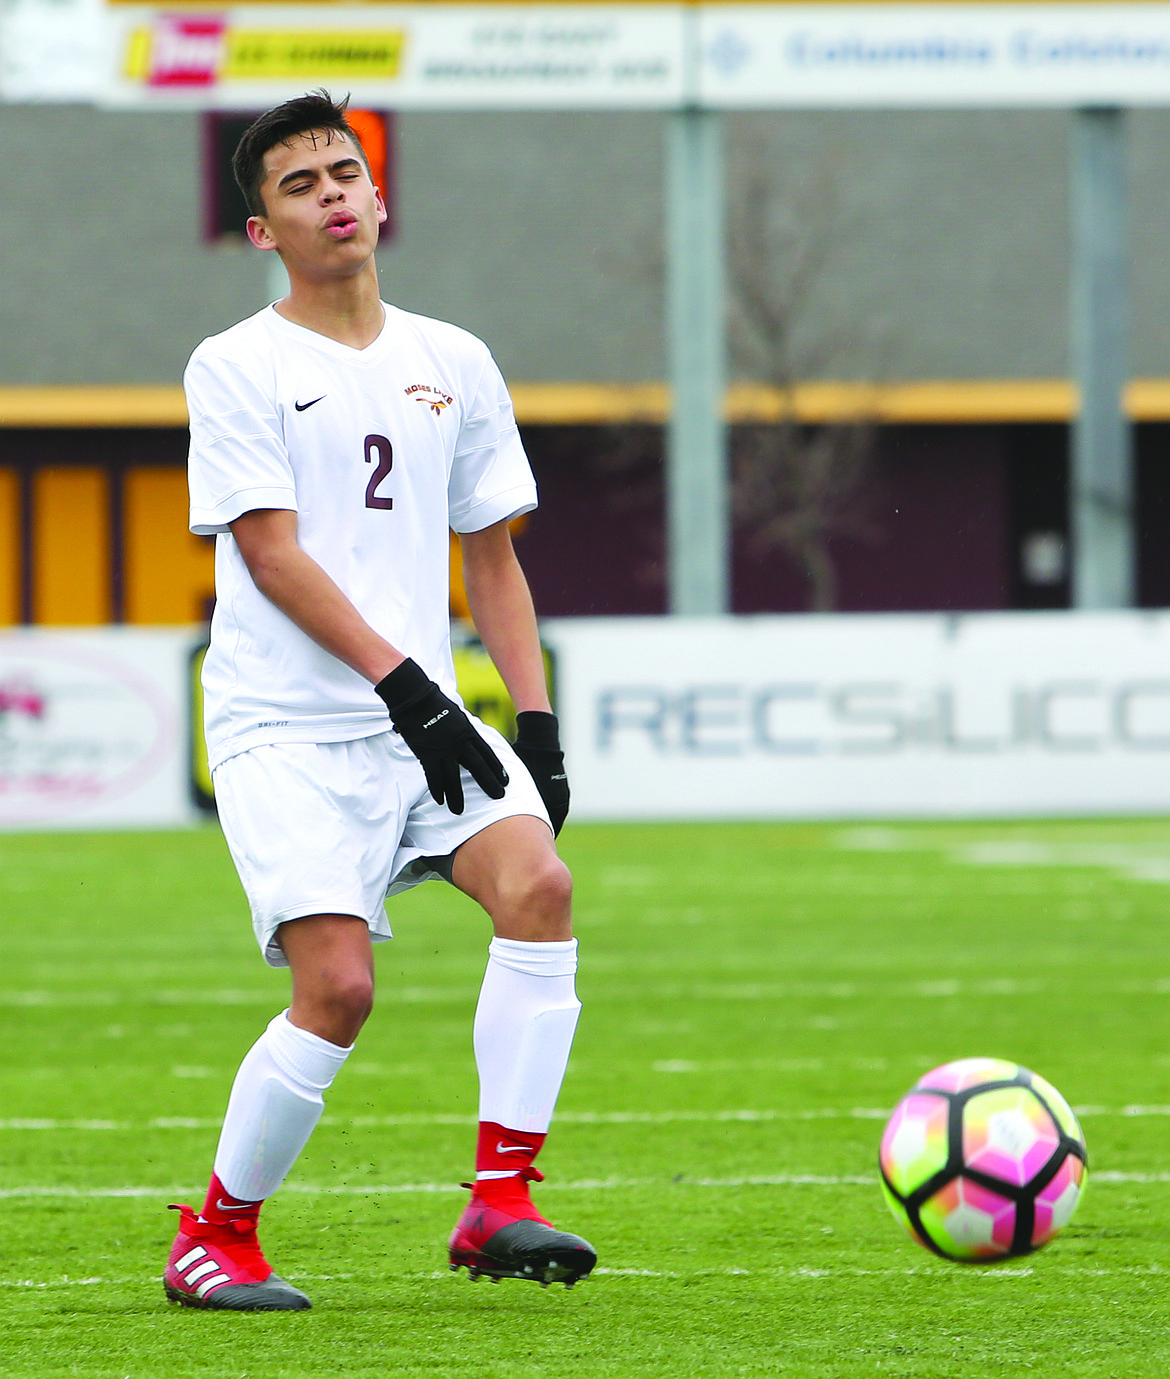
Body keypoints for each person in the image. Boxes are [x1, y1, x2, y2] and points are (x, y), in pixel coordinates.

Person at [164, 90, 594, 1311]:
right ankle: (215, 1234)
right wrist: (411, 685)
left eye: (345, 172)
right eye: (300, 186)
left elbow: (493, 556)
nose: (333, 195)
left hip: (423, 720)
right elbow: (271, 553)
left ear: (380, 194)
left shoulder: (451, 359)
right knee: (339, 986)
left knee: (541, 884)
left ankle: (499, 1202)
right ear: (264, 233)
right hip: (287, 727)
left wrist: (537, 720)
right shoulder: (234, 363)